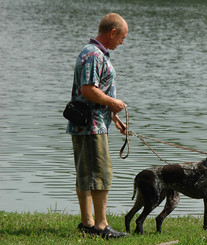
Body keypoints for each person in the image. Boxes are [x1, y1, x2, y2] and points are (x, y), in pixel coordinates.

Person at [66, 13, 129, 238]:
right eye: (122, 37)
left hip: (90, 123)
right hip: (92, 126)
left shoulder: (93, 53)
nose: (122, 41)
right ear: (113, 32)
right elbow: (89, 90)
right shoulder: (93, 54)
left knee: (85, 173)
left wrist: (114, 116)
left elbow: (97, 89)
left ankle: (87, 223)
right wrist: (113, 102)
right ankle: (101, 227)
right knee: (101, 174)